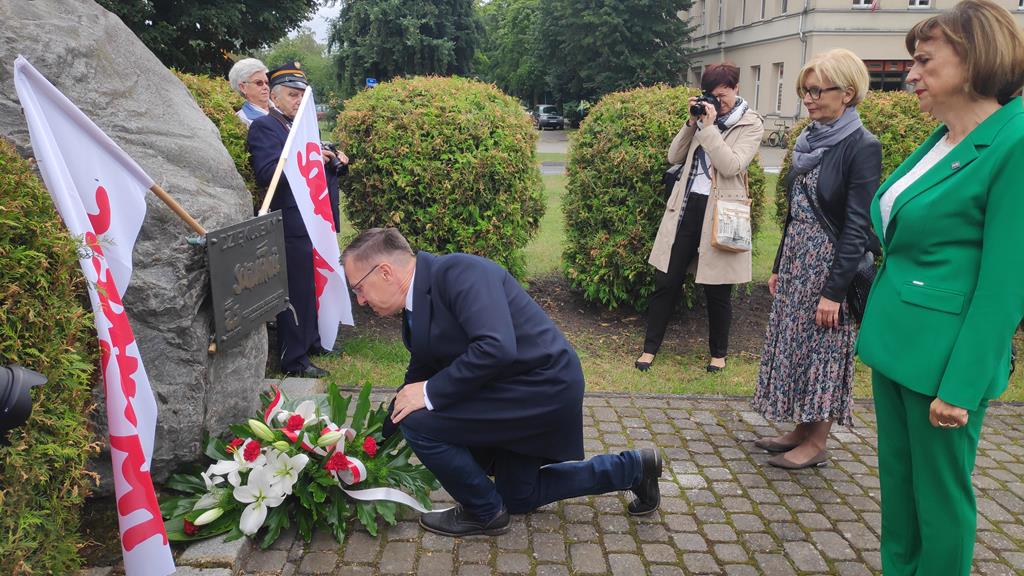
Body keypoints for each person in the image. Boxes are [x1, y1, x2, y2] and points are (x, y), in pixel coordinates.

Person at [341, 228, 663, 537]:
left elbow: (495, 347)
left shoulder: (458, 272)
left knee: (419, 420)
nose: (361, 301)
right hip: (511, 391)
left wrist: (428, 393)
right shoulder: (416, 307)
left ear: (385, 272)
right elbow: (415, 380)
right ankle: (634, 469)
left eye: (358, 288)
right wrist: (367, 447)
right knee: (519, 496)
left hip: (542, 388)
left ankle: (483, 512)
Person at [857, 1, 1024, 573]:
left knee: (941, 502)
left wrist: (961, 387)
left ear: (976, 59)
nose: (910, 74)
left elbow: (1006, 285)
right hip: (897, 346)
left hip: (945, 363)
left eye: (925, 61)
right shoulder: (943, 137)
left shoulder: (1015, 141)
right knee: (900, 496)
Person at [750, 49, 882, 470]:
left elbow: (857, 226)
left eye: (816, 90)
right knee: (796, 345)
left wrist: (834, 291)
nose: (808, 98)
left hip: (830, 267)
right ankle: (800, 429)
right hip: (797, 260)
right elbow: (796, 210)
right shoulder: (808, 141)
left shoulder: (862, 146)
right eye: (804, 91)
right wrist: (777, 265)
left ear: (846, 93)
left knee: (824, 350)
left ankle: (817, 442)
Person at [638, 63, 764, 374]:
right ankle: (649, 348)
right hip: (687, 205)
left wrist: (708, 129)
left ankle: (718, 354)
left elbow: (732, 165)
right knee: (665, 281)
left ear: (735, 89)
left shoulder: (751, 124)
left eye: (722, 95)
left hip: (723, 211)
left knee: (717, 289)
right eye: (712, 95)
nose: (717, 102)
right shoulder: (703, 117)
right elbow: (673, 156)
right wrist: (691, 122)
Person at [247, 62, 348, 377]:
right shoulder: (266, 127)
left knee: (314, 285)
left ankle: (313, 341)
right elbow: (267, 172)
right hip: (289, 223)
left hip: (314, 220)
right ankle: (295, 360)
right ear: (275, 97)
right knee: (297, 291)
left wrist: (333, 161)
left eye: (303, 95)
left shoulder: (300, 128)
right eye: (292, 95)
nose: (298, 101)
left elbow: (316, 171)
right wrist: (306, 157)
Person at [228, 58, 271, 127]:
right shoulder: (242, 120)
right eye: (259, 83)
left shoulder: (283, 108)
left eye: (266, 82)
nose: (265, 87)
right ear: (243, 88)